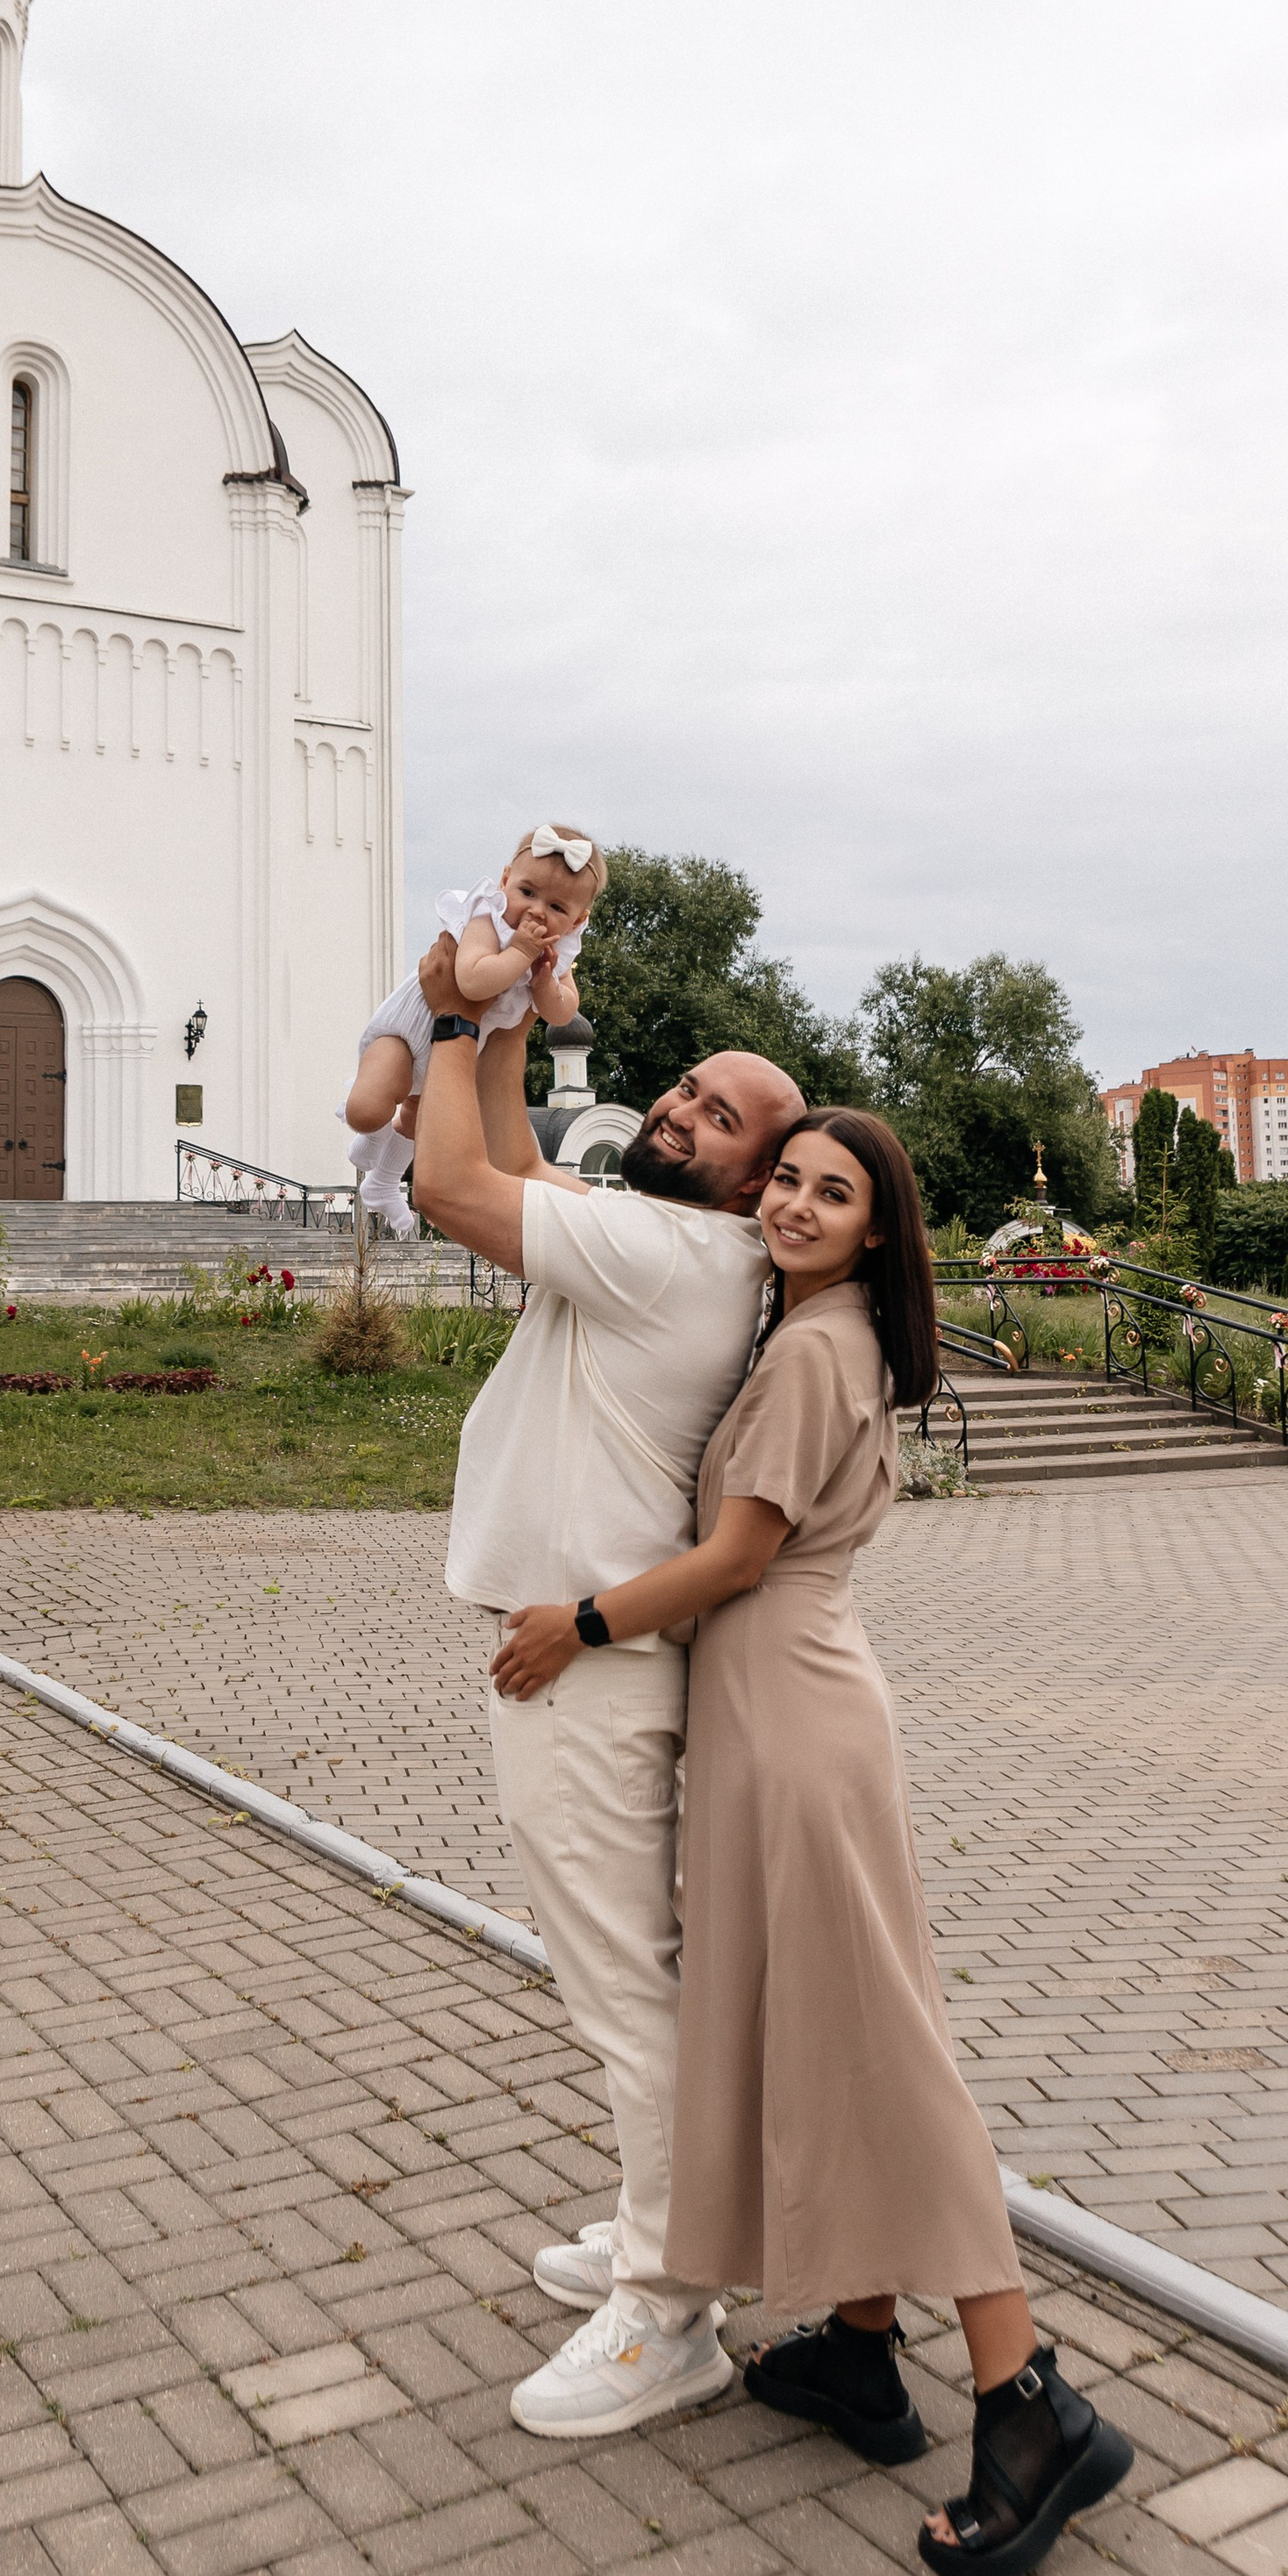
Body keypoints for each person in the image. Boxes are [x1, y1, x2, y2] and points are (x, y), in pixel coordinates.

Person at [490, 1110, 1135, 2576]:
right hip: (789, 1712)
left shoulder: (807, 1351)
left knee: (886, 2055)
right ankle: (855, 2346)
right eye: (785, 1178)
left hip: (792, 1725)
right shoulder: (834, 1337)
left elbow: (735, 1558)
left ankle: (1028, 2403)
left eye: (829, 1193)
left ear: (873, 1231)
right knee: (823, 2034)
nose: (790, 1203)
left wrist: (575, 1624)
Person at [411, 961, 803, 2436]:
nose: (689, 1111)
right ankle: (663, 2225)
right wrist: (516, 1023)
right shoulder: (656, 1237)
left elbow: (451, 1185)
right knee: (631, 1980)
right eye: (691, 1089)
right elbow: (510, 1165)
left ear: (757, 1182)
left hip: (585, 1663)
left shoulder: (683, 1259)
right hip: (584, 1657)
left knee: (627, 1991)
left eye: (725, 1118)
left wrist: (453, 1018)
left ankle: (671, 2299)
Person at [343, 825, 602, 1234]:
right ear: (504, 882)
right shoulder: (488, 918)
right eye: (527, 892)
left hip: (458, 1052)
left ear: (577, 920)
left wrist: (543, 983)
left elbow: (562, 1013)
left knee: (414, 1123)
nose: (536, 911)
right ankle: (370, 1140)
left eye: (556, 906)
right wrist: (518, 952)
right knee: (367, 1110)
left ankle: (385, 1182)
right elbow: (472, 982)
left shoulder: (559, 952)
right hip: (412, 1030)